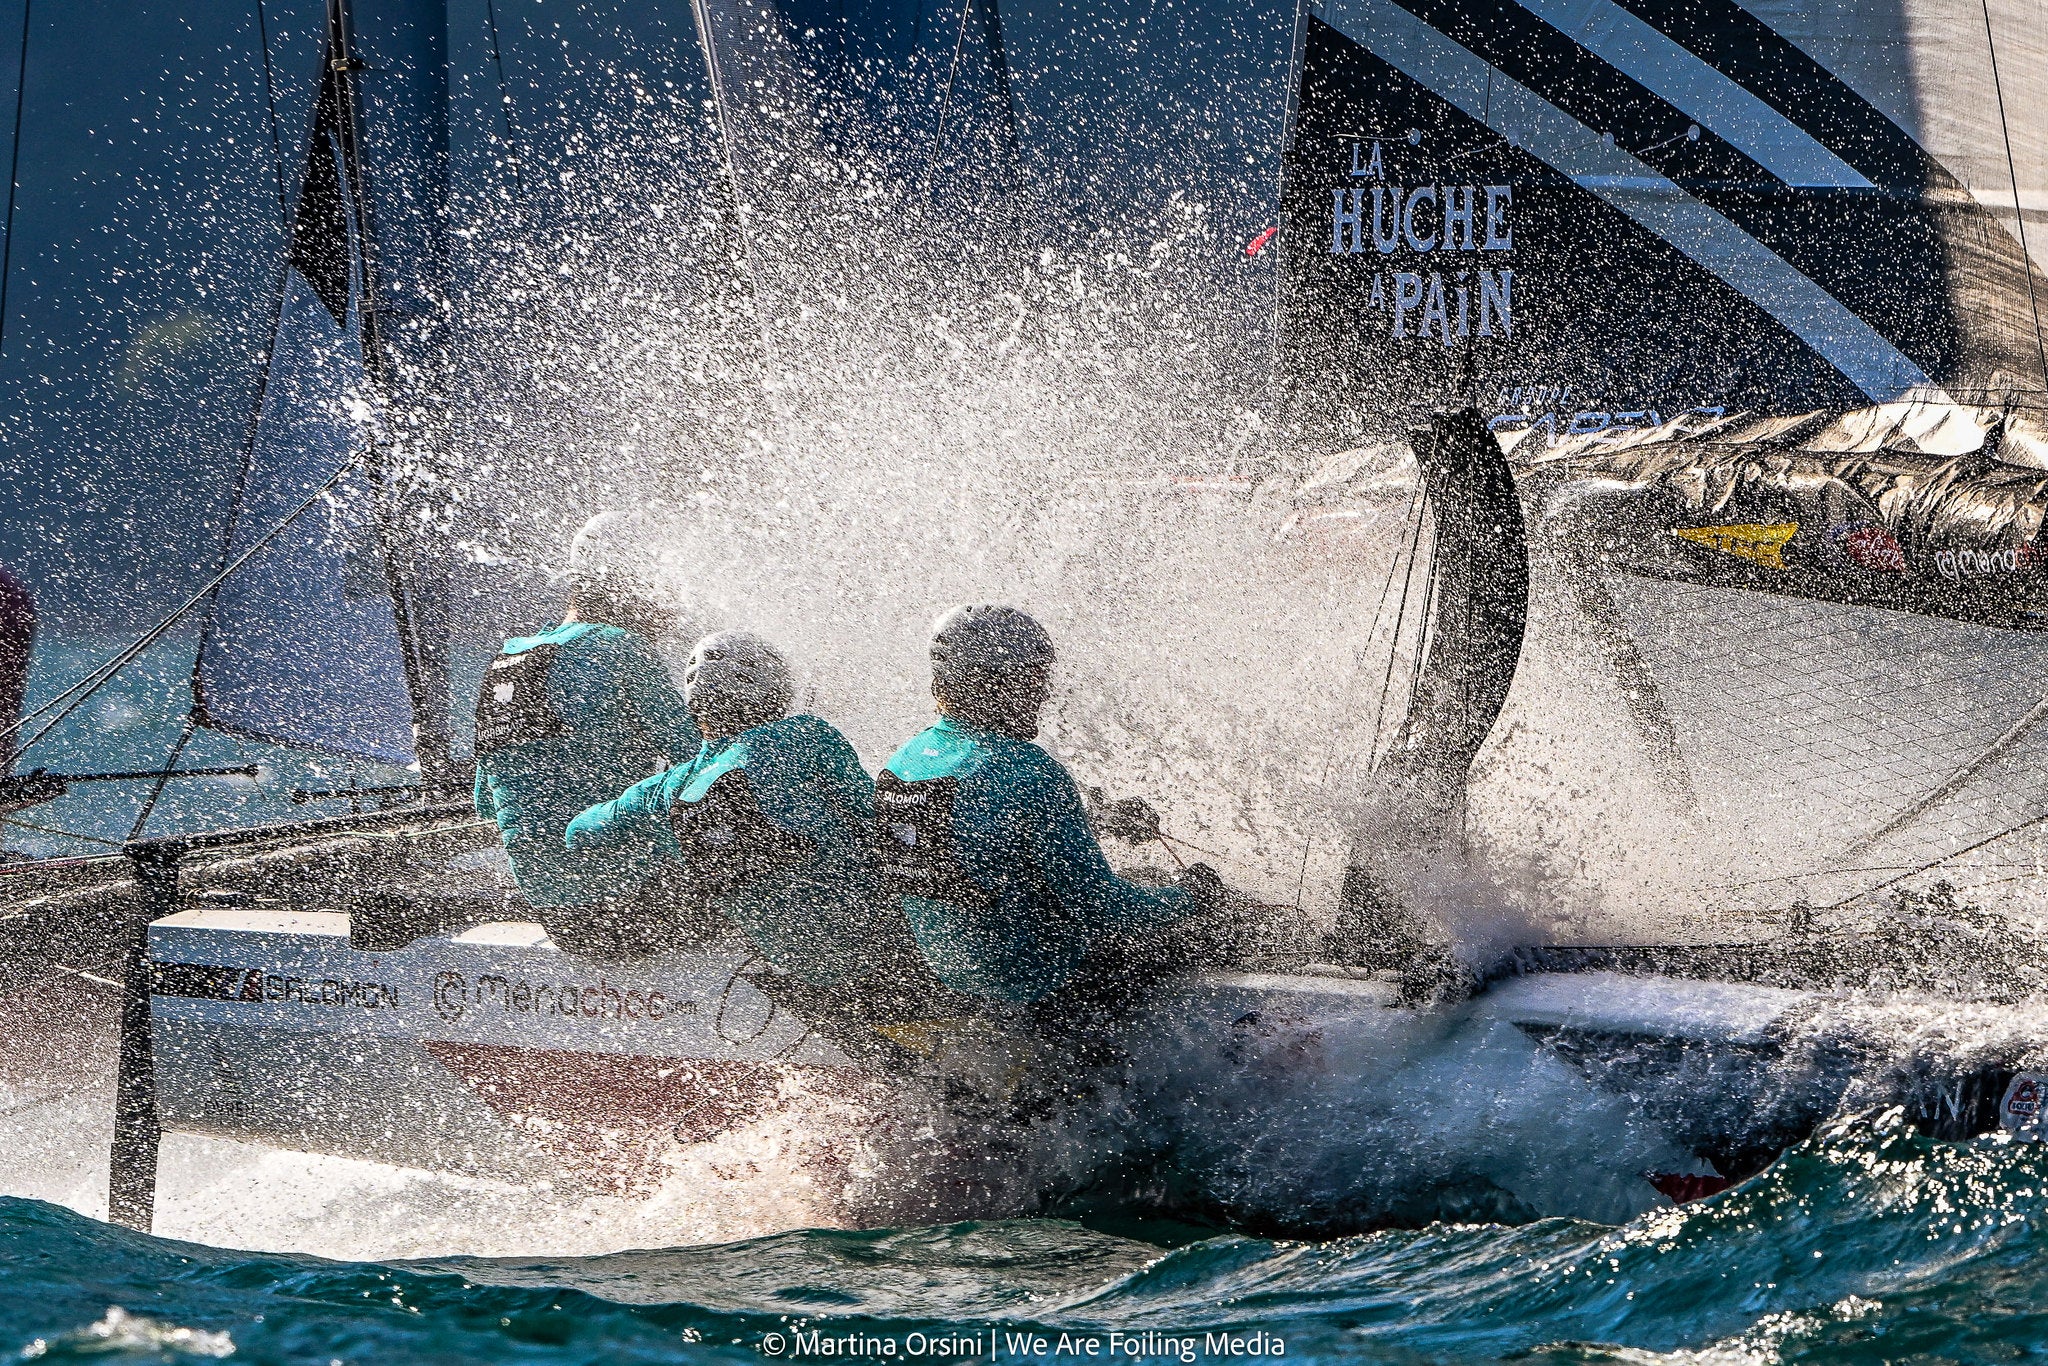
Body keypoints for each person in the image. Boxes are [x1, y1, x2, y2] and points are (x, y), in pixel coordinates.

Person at [874, 604, 1217, 1009]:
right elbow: (1102, 907)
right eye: (1035, 678)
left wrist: (1099, 818)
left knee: (1143, 879)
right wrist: (1193, 895)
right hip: (1044, 980)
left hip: (956, 973)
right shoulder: (1030, 770)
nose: (1043, 693)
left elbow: (981, 831)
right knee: (1219, 920)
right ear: (997, 683)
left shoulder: (904, 761)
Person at [565, 631, 887, 986]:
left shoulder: (663, 791)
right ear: (777, 695)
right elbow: (874, 814)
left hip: (806, 968)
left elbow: (578, 833)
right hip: (881, 945)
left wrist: (655, 837)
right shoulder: (806, 735)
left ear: (693, 702)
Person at [472, 510, 700, 947]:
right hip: (639, 907)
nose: (670, 609)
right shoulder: (620, 649)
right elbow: (701, 764)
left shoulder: (509, 659)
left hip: (557, 916)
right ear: (631, 587)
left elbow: (487, 803)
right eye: (663, 591)